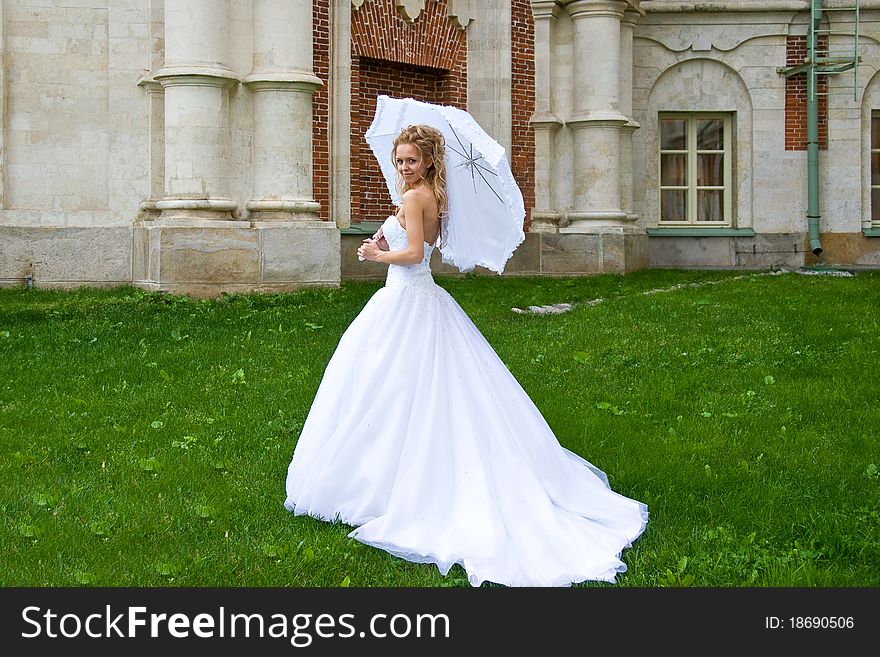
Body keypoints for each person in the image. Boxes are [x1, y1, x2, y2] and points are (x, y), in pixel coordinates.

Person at [284, 124, 648, 587]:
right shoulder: (427, 197)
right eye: (398, 160)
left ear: (429, 161)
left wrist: (378, 257)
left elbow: (415, 254)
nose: (402, 167)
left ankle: (380, 485)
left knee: (392, 387)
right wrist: (383, 239)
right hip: (413, 300)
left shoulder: (417, 198)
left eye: (410, 160)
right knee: (402, 387)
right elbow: (410, 240)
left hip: (407, 297)